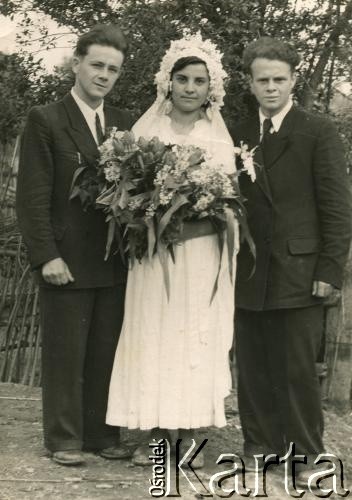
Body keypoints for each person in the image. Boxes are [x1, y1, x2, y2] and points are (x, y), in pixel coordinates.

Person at [106, 32, 238, 469]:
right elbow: (128, 196)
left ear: (210, 89)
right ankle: (157, 435)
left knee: (195, 338)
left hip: (201, 258)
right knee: (155, 335)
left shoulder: (218, 140)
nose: (189, 88)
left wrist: (191, 228)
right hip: (155, 257)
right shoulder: (147, 134)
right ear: (168, 82)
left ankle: (192, 436)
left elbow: (228, 206)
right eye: (182, 79)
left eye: (199, 81)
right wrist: (150, 221)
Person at [230, 37, 351, 484]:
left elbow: (338, 208)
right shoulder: (237, 132)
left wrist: (329, 270)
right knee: (254, 363)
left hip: (300, 272)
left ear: (294, 81)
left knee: (297, 370)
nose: (271, 88)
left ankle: (306, 458)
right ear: (250, 83)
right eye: (262, 80)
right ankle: (258, 446)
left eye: (279, 79)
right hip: (249, 270)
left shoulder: (317, 131)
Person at [16, 24, 134, 466]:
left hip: (113, 260)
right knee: (66, 354)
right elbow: (31, 196)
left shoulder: (123, 122)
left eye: (113, 69)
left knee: (105, 350)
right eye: (97, 65)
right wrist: (47, 255)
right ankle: (64, 439)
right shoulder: (45, 119)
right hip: (65, 259)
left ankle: (102, 436)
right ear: (77, 64)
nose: (104, 75)